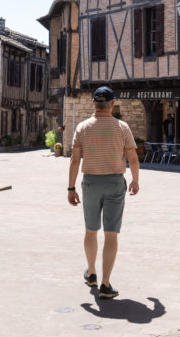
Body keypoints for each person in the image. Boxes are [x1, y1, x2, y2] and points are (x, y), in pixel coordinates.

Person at [68, 86, 140, 299]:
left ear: (93, 104)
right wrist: (135, 180)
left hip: (90, 182)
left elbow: (74, 161)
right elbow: (133, 159)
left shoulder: (82, 127)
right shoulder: (122, 127)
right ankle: (105, 284)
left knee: (90, 230)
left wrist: (71, 188)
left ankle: (91, 273)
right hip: (115, 183)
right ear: (112, 104)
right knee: (111, 233)